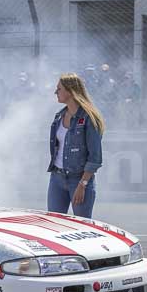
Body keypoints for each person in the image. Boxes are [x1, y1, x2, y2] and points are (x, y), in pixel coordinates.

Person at [47, 73, 104, 218]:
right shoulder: (59, 116)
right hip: (57, 178)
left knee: (82, 226)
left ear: (70, 91)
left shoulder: (89, 118)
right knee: (54, 224)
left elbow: (95, 157)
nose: (56, 92)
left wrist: (83, 184)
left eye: (59, 89)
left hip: (79, 180)